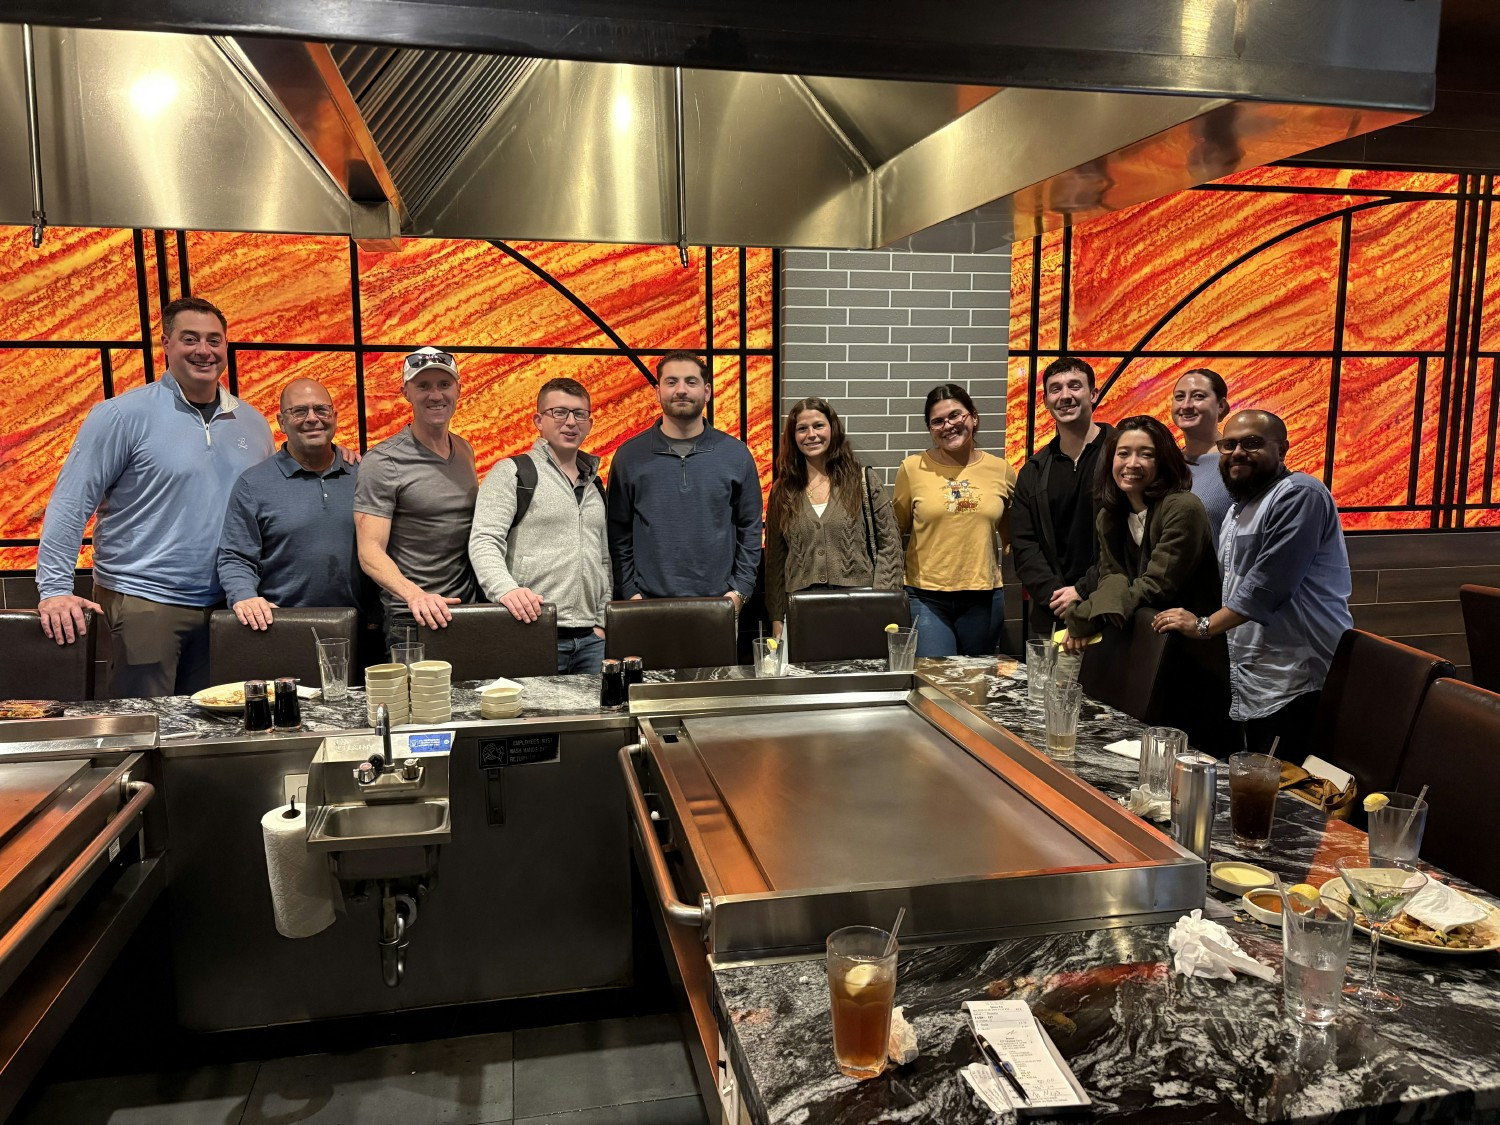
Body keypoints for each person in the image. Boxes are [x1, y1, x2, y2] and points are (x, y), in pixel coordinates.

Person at [34, 297, 274, 696]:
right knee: (145, 722)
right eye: (190, 339)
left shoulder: (252, 422)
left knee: (217, 723)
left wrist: (339, 458)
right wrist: (55, 590)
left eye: (214, 340)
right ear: (165, 344)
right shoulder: (120, 415)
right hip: (144, 598)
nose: (203, 350)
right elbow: (71, 503)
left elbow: (270, 501)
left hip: (229, 604)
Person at [1152, 409, 1353, 760]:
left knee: (1291, 785)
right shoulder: (1239, 509)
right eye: (1229, 445)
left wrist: (1202, 626)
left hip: (1299, 679)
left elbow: (1266, 587)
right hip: (1256, 676)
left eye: (1252, 443)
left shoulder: (1299, 494)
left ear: (1282, 448)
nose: (1238, 453)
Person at [1063, 415, 1231, 752]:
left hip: (1190, 662)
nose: (1132, 463)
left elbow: (1157, 586)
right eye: (1123, 453)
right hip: (1140, 656)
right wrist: (1086, 616)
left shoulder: (1183, 507)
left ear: (1164, 460)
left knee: (1184, 762)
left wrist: (1084, 617)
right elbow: (1111, 577)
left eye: (1146, 454)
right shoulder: (1110, 514)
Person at [469, 377, 610, 673]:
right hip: (529, 631)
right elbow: (484, 541)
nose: (570, 422)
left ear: (589, 423)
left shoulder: (595, 484)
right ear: (538, 421)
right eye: (559, 412)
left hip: (591, 641)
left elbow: (603, 558)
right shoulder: (513, 473)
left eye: (579, 414)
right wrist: (506, 590)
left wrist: (601, 621)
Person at [606, 351, 762, 612]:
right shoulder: (629, 457)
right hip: (646, 606)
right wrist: (630, 592)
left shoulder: (736, 455)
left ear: (707, 391)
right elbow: (617, 532)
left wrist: (739, 592)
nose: (681, 390)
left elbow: (750, 528)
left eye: (691, 382)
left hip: (719, 606)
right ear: (658, 392)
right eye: (671, 382)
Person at [354, 347, 480, 648]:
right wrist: (415, 595)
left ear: (459, 390)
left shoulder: (465, 450)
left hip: (468, 612)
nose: (435, 395)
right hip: (412, 617)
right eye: (423, 386)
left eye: (444, 384)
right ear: (406, 393)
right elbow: (369, 551)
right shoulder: (383, 461)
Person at [216, 378, 362, 631]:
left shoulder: (364, 474)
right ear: (281, 422)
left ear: (335, 416)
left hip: (363, 629)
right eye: (299, 411)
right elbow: (236, 557)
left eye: (321, 409)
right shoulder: (253, 484)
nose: (312, 418)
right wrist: (244, 596)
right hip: (282, 628)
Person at [892, 384, 1016, 657]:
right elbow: (894, 531)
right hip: (926, 596)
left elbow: (1012, 535)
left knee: (977, 678)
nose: (948, 425)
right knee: (935, 676)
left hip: (983, 596)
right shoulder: (912, 469)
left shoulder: (1001, 470)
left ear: (974, 417)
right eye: (937, 421)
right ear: (930, 429)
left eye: (955, 415)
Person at [764, 397, 902, 633]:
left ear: (832, 428)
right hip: (802, 608)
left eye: (818, 425)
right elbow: (775, 561)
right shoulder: (783, 491)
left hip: (861, 603)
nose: (811, 435)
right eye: (802, 429)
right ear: (793, 437)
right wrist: (777, 617)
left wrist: (883, 602)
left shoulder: (863, 481)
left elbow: (890, 545)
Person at [1010, 357, 1115, 640]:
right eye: (1055, 389)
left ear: (1093, 394)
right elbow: (1024, 544)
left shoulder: (1122, 457)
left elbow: (1132, 538)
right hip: (1053, 617)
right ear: (1046, 401)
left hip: (1113, 614)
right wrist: (1057, 597)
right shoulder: (1033, 471)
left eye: (1075, 386)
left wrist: (1083, 590)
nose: (1065, 396)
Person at [1170, 367, 1234, 537]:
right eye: (1179, 397)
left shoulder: (1237, 460)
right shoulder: (1167, 461)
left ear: (1221, 406)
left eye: (1198, 396)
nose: (1186, 405)